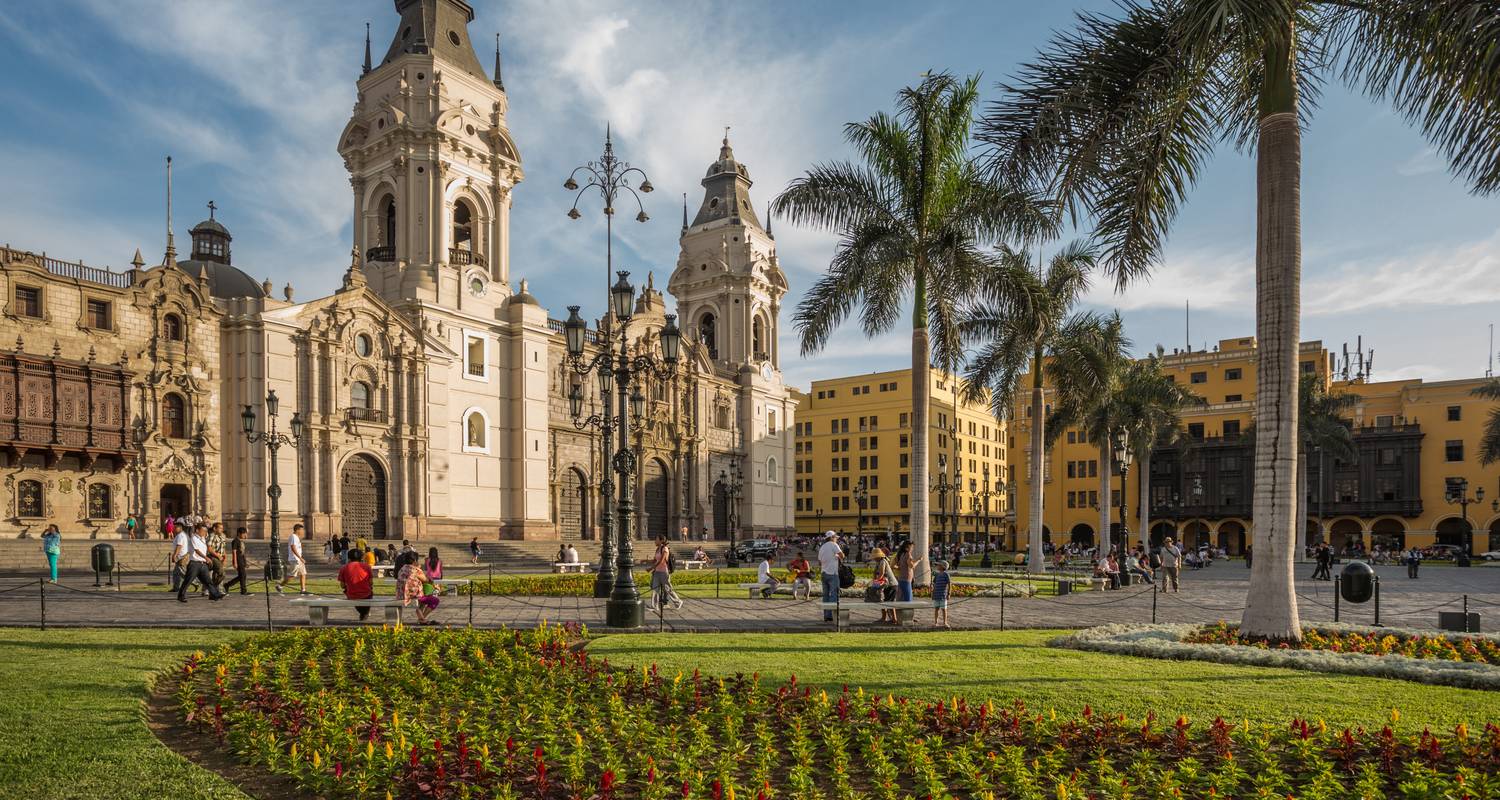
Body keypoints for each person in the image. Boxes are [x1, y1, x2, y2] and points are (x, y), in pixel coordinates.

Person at [178, 525, 224, 603]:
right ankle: (181, 595)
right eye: (203, 531)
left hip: (203, 564)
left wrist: (206, 559)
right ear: (197, 530)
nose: (205, 533)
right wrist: (206, 558)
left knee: (207, 581)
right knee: (188, 580)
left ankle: (214, 594)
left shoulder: (203, 539)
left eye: (205, 531)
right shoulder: (194, 538)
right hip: (194, 563)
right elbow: (197, 550)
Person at [397, 557, 438, 624]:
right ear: (414, 561)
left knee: (423, 598)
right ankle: (422, 619)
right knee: (434, 600)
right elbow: (426, 580)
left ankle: (421, 618)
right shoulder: (415, 570)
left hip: (401, 594)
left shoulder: (402, 569)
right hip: (413, 595)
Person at [337, 549, 375, 620]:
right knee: (369, 593)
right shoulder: (367, 567)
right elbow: (371, 582)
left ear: (349, 558)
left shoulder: (344, 568)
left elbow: (342, 585)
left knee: (354, 596)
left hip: (352, 595)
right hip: (366, 594)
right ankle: (365, 613)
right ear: (361, 558)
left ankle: (364, 613)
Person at [648, 536, 681, 610]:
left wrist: (651, 568)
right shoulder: (657, 549)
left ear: (661, 540)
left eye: (656, 540)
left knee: (668, 589)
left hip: (663, 572)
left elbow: (661, 561)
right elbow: (655, 560)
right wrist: (645, 561)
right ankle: (654, 606)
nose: (655, 541)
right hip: (657, 571)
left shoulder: (665, 549)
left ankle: (678, 601)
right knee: (655, 589)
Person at [817, 531, 844, 622]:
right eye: (835, 537)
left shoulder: (822, 547)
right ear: (832, 537)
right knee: (834, 595)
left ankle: (827, 615)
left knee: (825, 595)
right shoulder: (833, 544)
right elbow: (842, 555)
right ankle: (833, 615)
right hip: (832, 573)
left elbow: (819, 562)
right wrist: (837, 556)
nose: (836, 539)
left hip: (824, 573)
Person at [279, 523, 308, 595]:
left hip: (298, 559)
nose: (302, 531)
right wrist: (300, 558)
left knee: (303, 574)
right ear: (298, 530)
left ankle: (303, 590)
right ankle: (280, 586)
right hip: (295, 559)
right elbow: (293, 547)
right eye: (301, 530)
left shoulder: (296, 537)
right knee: (292, 575)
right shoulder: (293, 537)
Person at [222, 527, 250, 595]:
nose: (245, 536)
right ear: (239, 533)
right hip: (238, 560)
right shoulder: (235, 541)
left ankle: (227, 585)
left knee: (242, 576)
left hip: (242, 560)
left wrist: (245, 562)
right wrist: (235, 562)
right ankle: (243, 591)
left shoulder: (241, 541)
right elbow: (234, 552)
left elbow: (242, 553)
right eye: (244, 534)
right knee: (243, 575)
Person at [206, 523, 228, 589]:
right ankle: (212, 588)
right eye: (220, 528)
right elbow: (209, 548)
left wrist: (224, 558)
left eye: (222, 528)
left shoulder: (223, 536)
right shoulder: (212, 535)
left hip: (220, 557)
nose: (222, 529)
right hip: (213, 557)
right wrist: (218, 556)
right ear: (215, 529)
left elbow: (223, 548)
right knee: (222, 573)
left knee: (216, 574)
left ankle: (214, 590)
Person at [931, 560, 952, 628]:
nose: (937, 566)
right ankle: (936, 622)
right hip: (936, 594)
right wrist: (932, 592)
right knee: (936, 608)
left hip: (943, 594)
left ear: (943, 567)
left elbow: (949, 584)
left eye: (938, 565)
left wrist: (949, 593)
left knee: (944, 609)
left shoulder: (946, 574)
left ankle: (945, 622)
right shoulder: (937, 574)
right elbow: (934, 584)